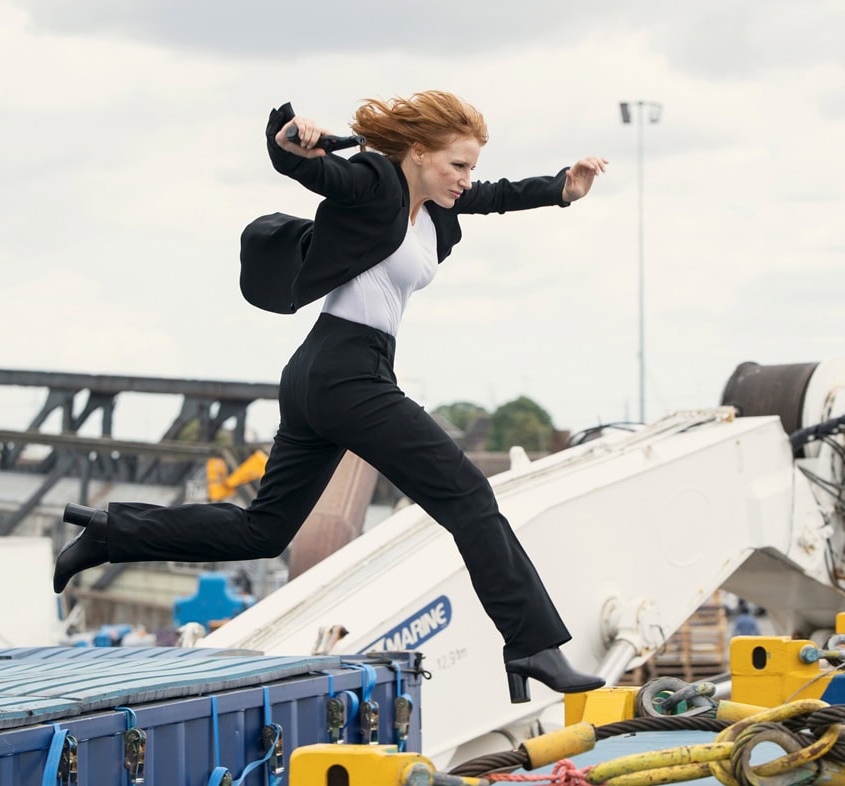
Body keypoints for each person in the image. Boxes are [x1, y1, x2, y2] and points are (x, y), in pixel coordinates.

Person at [54, 91, 608, 703]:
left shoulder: (436, 204)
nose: (466, 179)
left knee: (261, 533)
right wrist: (291, 142)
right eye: (457, 165)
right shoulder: (374, 180)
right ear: (418, 153)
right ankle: (531, 644)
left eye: (471, 166)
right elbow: (316, 169)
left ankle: (111, 533)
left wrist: (561, 187)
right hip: (346, 373)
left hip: (326, 372)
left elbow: (498, 195)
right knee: (469, 496)